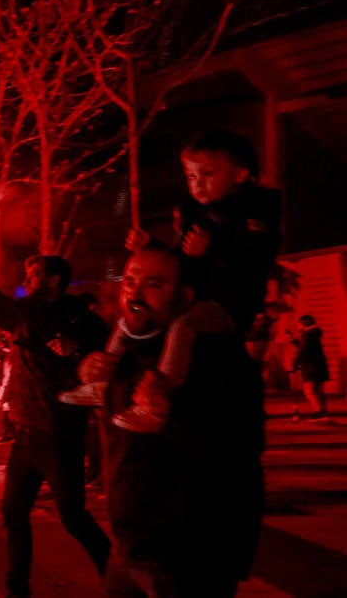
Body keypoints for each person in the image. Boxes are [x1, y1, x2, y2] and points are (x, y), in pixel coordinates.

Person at [78, 244, 264, 597]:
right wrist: (88, 372)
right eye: (129, 281)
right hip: (128, 543)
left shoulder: (219, 359)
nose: (134, 292)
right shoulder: (126, 353)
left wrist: (173, 412)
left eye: (154, 284)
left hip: (191, 553)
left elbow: (241, 449)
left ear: (185, 296)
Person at [91, 129, 282, 432]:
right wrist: (151, 245)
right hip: (191, 295)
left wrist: (214, 249)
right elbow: (179, 258)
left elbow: (255, 259)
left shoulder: (256, 212)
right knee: (129, 318)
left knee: (182, 327)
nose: (198, 184)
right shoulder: (195, 213)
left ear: (241, 174)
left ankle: (159, 397)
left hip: (228, 304)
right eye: (191, 176)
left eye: (208, 173)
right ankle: (101, 378)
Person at [0, 249, 110, 598]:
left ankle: (115, 577)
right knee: (14, 513)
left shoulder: (73, 319)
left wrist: (76, 348)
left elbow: (101, 353)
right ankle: (16, 588)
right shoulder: (32, 315)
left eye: (34, 275)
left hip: (57, 434)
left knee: (73, 517)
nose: (26, 282)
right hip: (25, 433)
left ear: (54, 281)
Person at [291, 314, 330, 422]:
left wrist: (295, 363)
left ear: (304, 324)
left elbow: (303, 351)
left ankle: (319, 413)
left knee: (309, 391)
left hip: (311, 367)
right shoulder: (314, 334)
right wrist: (295, 342)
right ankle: (323, 412)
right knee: (318, 391)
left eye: (298, 324)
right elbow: (306, 347)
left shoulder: (307, 336)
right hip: (319, 367)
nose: (297, 326)